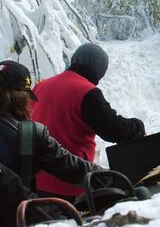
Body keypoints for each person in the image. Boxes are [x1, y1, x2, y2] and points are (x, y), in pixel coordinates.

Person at [31, 43, 145, 199]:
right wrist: (138, 126)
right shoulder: (86, 91)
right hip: (71, 183)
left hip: (36, 179)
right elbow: (114, 130)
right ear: (99, 69)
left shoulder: (41, 86)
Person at [0, 60, 101, 203]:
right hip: (13, 219)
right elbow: (71, 167)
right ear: (20, 98)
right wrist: (113, 177)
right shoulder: (28, 135)